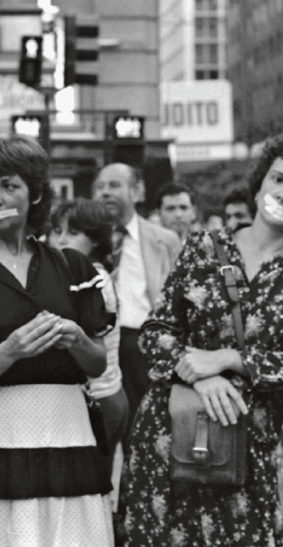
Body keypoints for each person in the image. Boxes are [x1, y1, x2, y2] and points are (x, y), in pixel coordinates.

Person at [118, 133, 283, 546]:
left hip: (246, 445)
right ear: (260, 183)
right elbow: (156, 331)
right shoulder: (203, 246)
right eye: (278, 179)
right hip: (170, 433)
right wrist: (200, 375)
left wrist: (230, 359)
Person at [0, 136, 114, 547]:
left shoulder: (72, 268)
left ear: (36, 194)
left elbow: (98, 364)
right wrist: (8, 352)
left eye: (9, 186)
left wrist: (77, 338)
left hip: (67, 437)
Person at [93, 163, 181, 438]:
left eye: (114, 185)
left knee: (143, 435)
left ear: (137, 191)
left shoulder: (165, 240)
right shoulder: (85, 239)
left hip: (142, 345)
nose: (105, 192)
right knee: (100, 438)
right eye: (100, 187)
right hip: (98, 346)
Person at [49, 199, 129, 484]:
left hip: (98, 399)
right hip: (107, 395)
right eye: (57, 231)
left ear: (95, 240)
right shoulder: (85, 273)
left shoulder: (91, 280)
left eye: (72, 233)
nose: (61, 240)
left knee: (88, 490)